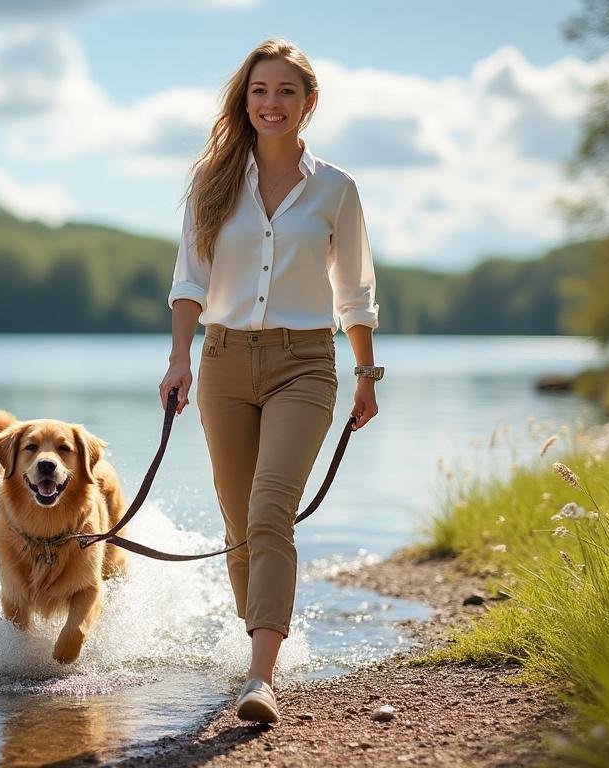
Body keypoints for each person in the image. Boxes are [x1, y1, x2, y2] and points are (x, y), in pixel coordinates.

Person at [157, 37, 382, 724]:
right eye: (259, 91)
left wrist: (366, 374)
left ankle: (261, 679)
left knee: (268, 511)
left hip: (306, 363)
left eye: (286, 91)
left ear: (309, 102)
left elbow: (356, 291)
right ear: (244, 99)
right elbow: (189, 278)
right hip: (223, 362)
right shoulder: (213, 181)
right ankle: (260, 642)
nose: (271, 104)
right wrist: (179, 359)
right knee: (237, 524)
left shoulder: (337, 189)